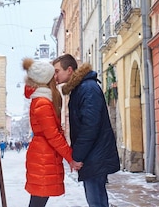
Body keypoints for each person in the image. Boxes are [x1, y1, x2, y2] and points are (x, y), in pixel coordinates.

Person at [53, 53, 120, 207]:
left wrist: (77, 156)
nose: (54, 75)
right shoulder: (80, 88)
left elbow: (90, 127)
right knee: (96, 200)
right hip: (93, 155)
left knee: (97, 202)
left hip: (95, 155)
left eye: (57, 71)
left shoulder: (87, 88)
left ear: (69, 70)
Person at [22, 57, 82, 207]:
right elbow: (53, 135)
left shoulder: (43, 99)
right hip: (43, 156)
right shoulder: (42, 102)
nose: (56, 78)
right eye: (52, 75)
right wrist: (70, 157)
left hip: (44, 154)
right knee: (38, 201)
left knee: (38, 200)